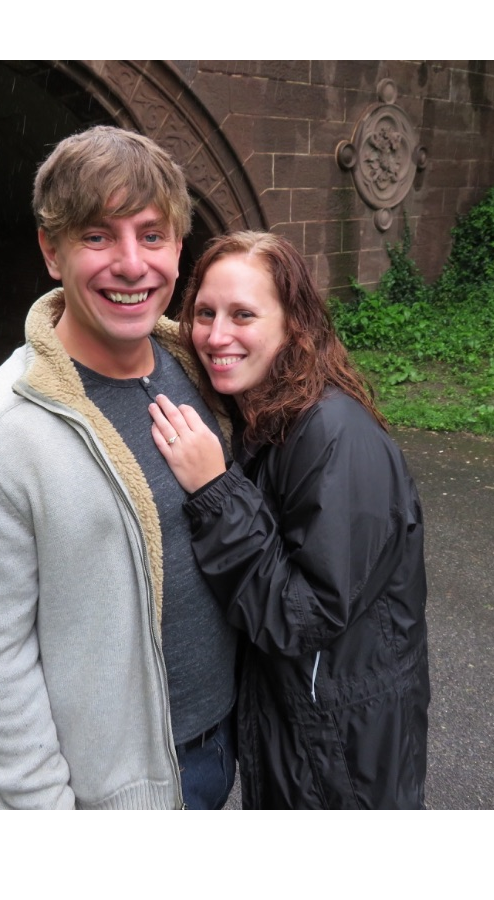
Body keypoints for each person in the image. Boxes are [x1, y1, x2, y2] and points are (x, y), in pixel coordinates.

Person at [0, 126, 238, 810]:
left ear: (177, 248)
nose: (133, 265)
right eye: (98, 237)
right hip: (121, 787)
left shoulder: (204, 367)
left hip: (229, 735)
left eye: (152, 234)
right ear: (53, 250)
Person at [149, 231, 430, 809]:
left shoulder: (334, 435)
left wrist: (215, 491)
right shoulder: (267, 414)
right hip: (302, 726)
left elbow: (301, 615)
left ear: (293, 323)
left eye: (243, 314)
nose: (216, 335)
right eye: (204, 312)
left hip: (341, 751)